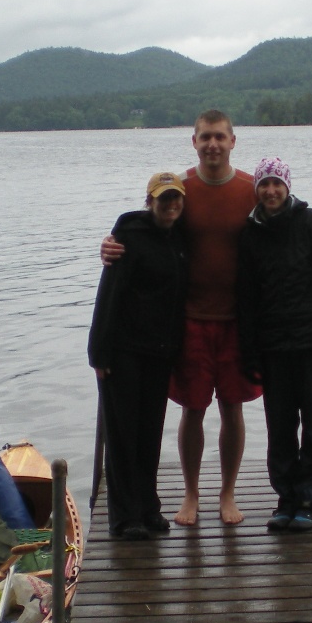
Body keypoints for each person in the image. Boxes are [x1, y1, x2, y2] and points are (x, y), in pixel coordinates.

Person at [101, 110, 262, 526]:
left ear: (232, 141)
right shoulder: (182, 190)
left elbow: (286, 223)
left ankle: (227, 494)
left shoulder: (250, 190)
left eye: (220, 137)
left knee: (232, 407)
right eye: (205, 137)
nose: (212, 144)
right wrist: (111, 245)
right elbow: (147, 225)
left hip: (237, 321)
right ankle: (190, 495)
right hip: (188, 319)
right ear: (194, 141)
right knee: (192, 408)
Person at [236, 157, 312, 532]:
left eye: (276, 184)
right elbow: (246, 298)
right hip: (273, 349)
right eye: (264, 184)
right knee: (280, 431)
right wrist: (249, 350)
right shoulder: (250, 234)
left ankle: (308, 501)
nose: (270, 191)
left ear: (287, 187)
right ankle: (284, 498)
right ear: (257, 190)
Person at [88, 171, 189, 541]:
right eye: (164, 199)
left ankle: (149, 508)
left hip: (160, 354)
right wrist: (98, 353)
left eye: (176, 198)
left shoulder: (180, 236)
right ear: (150, 201)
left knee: (149, 434)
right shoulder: (128, 236)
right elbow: (109, 294)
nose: (171, 205)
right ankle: (124, 517)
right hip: (123, 353)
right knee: (122, 436)